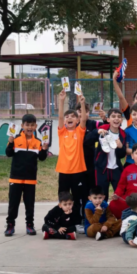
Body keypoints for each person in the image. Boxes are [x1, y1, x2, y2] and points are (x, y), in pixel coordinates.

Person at [5, 113, 48, 236]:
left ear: (36, 126)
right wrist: (10, 142)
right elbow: (8, 154)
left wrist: (44, 149)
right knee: (13, 203)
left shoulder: (38, 142)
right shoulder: (15, 139)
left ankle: (30, 225)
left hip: (30, 179)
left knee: (30, 204)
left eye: (32, 125)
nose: (29, 127)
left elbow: (42, 158)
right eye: (27, 125)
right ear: (22, 125)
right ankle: (10, 225)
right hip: (16, 178)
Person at [56, 90, 89, 227]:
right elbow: (59, 118)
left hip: (78, 171)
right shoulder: (62, 131)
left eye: (72, 116)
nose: (69, 118)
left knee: (77, 198)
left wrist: (82, 103)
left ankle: (76, 221)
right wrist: (62, 100)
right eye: (67, 116)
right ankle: (61, 220)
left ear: (76, 120)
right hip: (63, 171)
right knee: (63, 198)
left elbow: (84, 119)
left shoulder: (79, 132)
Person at [85, 109, 127, 197]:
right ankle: (101, 211)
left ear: (121, 120)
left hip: (116, 169)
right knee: (101, 196)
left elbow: (122, 155)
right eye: (113, 116)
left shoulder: (123, 134)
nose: (116, 119)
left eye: (119, 117)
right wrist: (97, 132)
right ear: (108, 119)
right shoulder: (103, 128)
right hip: (102, 168)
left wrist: (120, 147)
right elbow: (87, 140)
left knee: (120, 195)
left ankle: (117, 210)